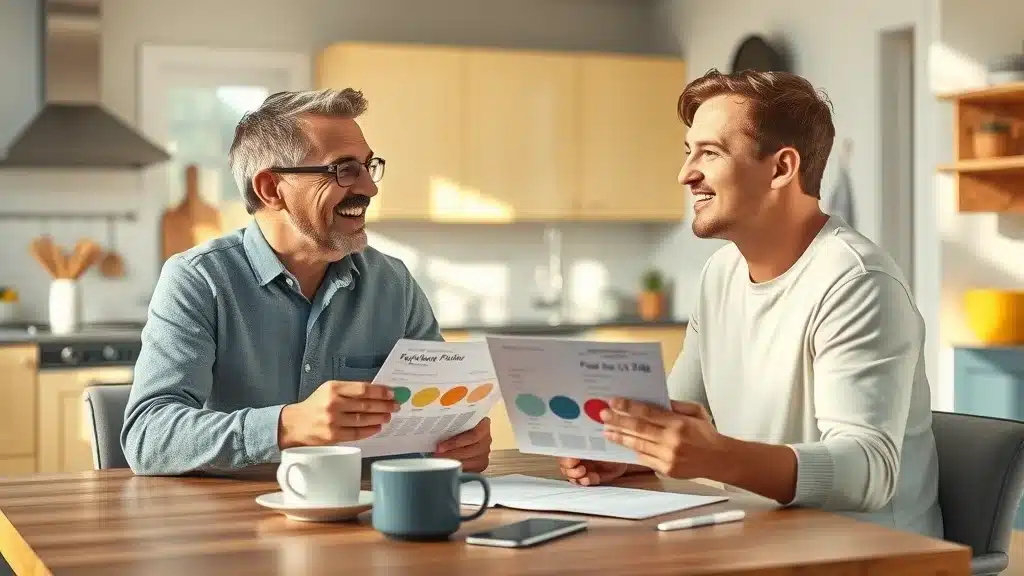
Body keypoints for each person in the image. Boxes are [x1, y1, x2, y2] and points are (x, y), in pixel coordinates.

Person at [559, 69, 943, 538]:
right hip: (759, 537)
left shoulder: (857, 283)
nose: (686, 174)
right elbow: (681, 413)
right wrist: (631, 450)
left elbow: (869, 470)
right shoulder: (719, 274)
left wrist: (718, 455)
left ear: (781, 168)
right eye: (688, 153)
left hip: (867, 553)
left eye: (710, 153)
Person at [121, 89, 491, 475]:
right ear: (271, 189)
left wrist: (459, 445)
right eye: (344, 170)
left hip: (366, 520)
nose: (370, 187)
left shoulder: (392, 283)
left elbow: (439, 419)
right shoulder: (199, 280)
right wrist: (286, 426)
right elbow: (148, 436)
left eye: (369, 167)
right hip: (235, 525)